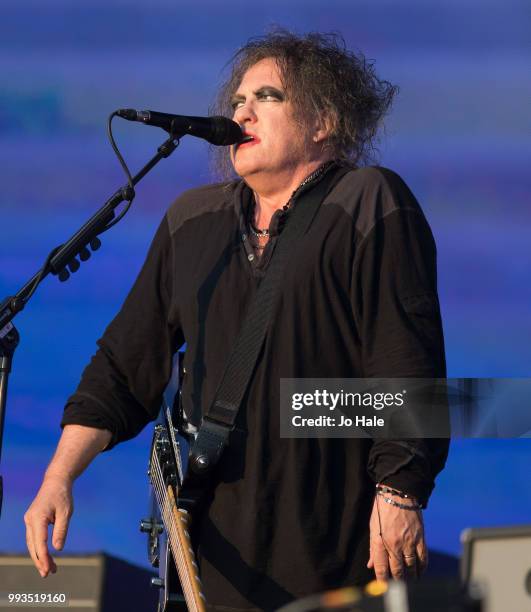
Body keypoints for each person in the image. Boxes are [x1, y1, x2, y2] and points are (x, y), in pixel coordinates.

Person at [24, 31, 449, 610]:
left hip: (335, 553)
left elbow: (407, 361)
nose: (240, 111)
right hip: (213, 559)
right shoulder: (191, 221)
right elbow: (124, 367)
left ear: (322, 120)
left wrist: (399, 492)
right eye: (237, 101)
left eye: (267, 96)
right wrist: (58, 477)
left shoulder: (367, 201)